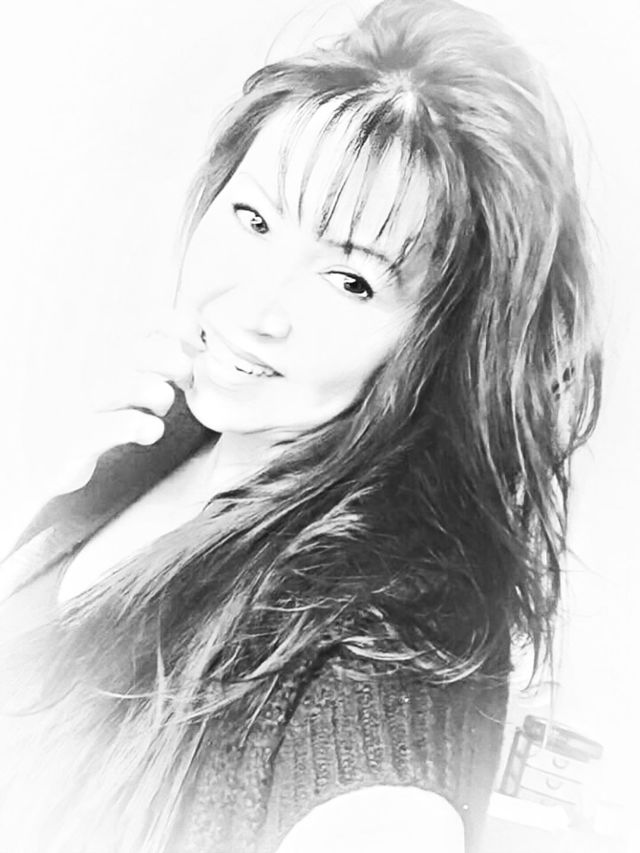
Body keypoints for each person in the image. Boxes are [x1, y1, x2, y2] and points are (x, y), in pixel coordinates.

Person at [0, 0, 602, 851]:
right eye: (254, 219)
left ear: (435, 342)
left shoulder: (396, 626)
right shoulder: (153, 442)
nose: (256, 309)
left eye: (351, 281)